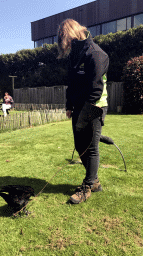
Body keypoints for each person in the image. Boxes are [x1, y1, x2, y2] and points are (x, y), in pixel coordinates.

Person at [57, 19, 109, 204]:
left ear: (72, 34)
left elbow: (96, 88)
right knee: (80, 146)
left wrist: (86, 113)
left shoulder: (95, 54)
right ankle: (94, 181)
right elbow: (71, 84)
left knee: (91, 147)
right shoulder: (75, 55)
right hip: (78, 107)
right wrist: (69, 105)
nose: (66, 46)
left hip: (95, 106)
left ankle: (87, 187)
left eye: (66, 41)